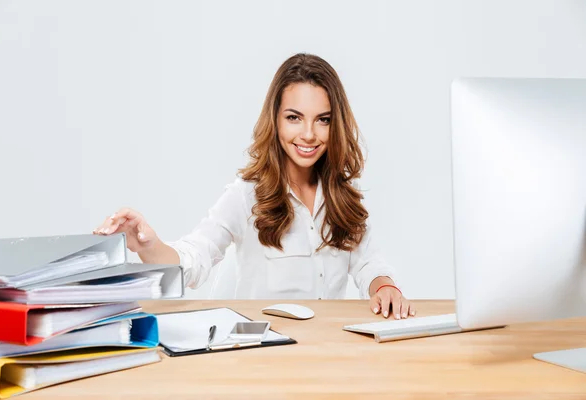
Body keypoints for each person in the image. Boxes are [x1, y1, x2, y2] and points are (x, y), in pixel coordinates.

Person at [94, 53, 415, 319]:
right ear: (274, 120)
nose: (308, 134)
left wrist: (384, 286)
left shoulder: (341, 197)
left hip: (327, 357)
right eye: (294, 117)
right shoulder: (246, 195)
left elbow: (369, 263)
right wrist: (149, 246)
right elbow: (195, 258)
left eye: (323, 119)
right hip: (264, 359)